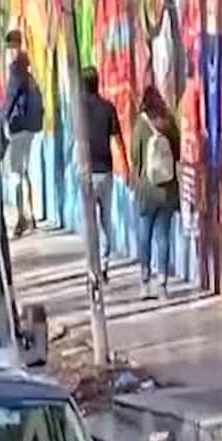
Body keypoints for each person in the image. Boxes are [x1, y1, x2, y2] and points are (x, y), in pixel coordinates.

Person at [130, 84, 181, 300]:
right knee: (163, 236)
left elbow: (136, 157)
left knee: (144, 235)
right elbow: (177, 152)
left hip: (147, 189)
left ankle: (144, 281)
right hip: (167, 189)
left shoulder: (141, 125)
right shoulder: (168, 122)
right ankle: (163, 283)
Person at [81, 67, 126, 282]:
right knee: (106, 219)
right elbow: (117, 139)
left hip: (87, 172)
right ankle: (105, 263)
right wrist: (125, 166)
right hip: (106, 171)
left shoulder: (79, 110)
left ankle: (93, 266)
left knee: (89, 221)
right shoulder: (108, 108)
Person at [3, 30, 45, 238]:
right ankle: (32, 215)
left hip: (18, 126)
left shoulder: (15, 70)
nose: (9, 52)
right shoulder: (28, 70)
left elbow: (10, 98)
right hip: (30, 126)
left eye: (10, 48)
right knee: (25, 172)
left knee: (16, 174)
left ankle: (22, 217)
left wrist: (2, 118)